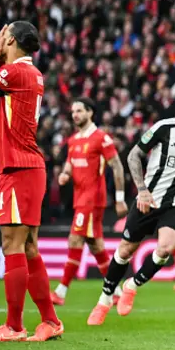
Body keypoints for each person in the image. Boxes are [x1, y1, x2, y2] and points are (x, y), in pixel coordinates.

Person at [0, 22, 63, 341]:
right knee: (29, 246)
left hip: (18, 167)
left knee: (13, 244)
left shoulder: (14, 72)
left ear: (12, 41)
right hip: (28, 166)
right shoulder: (28, 74)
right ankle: (50, 321)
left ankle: (14, 326)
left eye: (4, 39)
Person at [87, 89, 175, 325]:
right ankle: (105, 298)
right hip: (149, 200)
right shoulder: (164, 128)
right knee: (125, 250)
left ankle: (131, 285)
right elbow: (133, 156)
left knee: (166, 248)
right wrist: (142, 190)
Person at [50, 98, 128, 306]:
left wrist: (120, 199)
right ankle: (117, 292)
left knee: (75, 240)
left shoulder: (101, 138)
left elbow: (118, 167)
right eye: (73, 111)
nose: (75, 114)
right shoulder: (74, 140)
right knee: (95, 245)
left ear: (90, 113)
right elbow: (69, 165)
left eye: (79, 111)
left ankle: (61, 291)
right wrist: (64, 175)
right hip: (79, 199)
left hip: (92, 200)